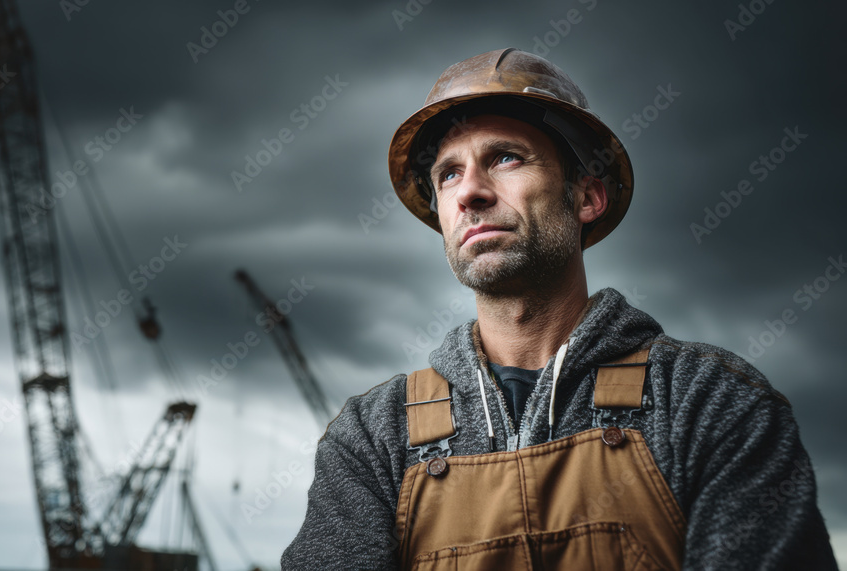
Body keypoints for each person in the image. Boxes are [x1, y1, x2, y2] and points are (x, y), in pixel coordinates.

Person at [281, 48, 838, 570]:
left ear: (587, 198)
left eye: (505, 158)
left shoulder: (709, 402)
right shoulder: (373, 437)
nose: (468, 192)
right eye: (447, 173)